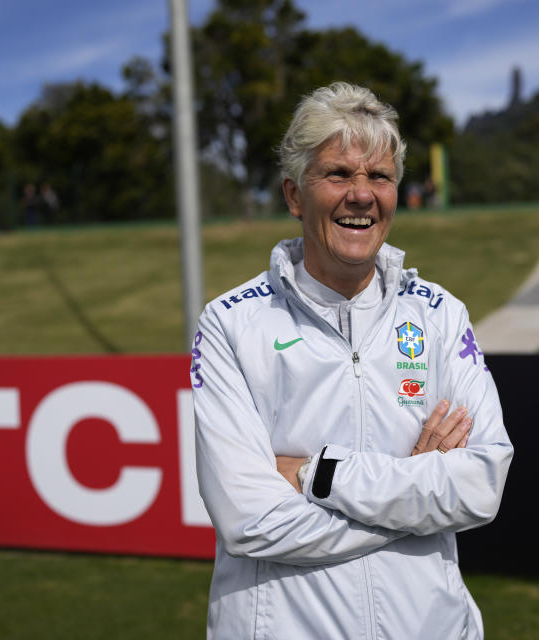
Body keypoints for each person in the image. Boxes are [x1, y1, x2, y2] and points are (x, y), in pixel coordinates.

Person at [190, 81, 512, 639]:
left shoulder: (441, 315)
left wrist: (319, 474)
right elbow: (252, 522)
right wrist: (418, 494)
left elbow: (481, 483)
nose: (361, 195)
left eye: (379, 177)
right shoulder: (229, 323)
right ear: (294, 195)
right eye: (338, 174)